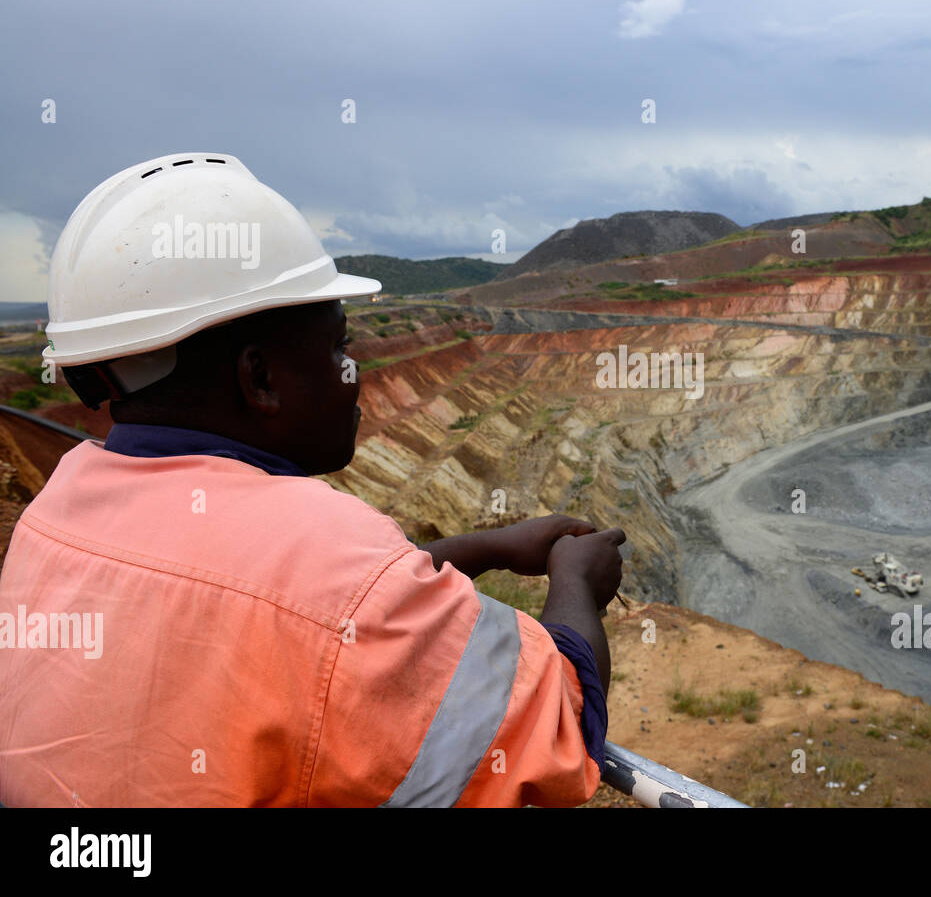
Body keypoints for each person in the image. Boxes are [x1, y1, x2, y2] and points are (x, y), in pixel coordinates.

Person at [0, 152, 625, 806]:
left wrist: (486, 546)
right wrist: (577, 579)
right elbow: (560, 724)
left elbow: (287, 605)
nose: (355, 372)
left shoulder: (58, 504)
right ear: (260, 377)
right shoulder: (323, 557)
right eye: (337, 347)